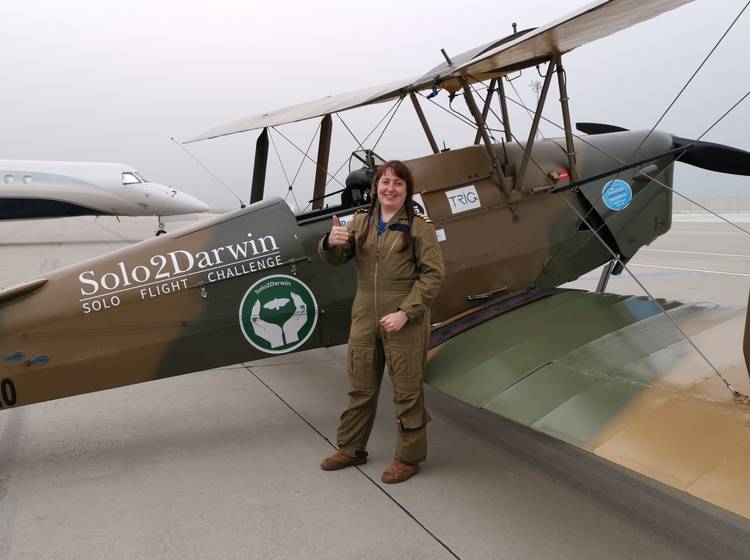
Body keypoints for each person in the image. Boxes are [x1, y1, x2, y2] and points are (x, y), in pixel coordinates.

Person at [318, 160, 445, 483]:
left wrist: (406, 312)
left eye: (397, 184)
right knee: (359, 387)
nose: (390, 189)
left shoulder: (420, 226)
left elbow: (433, 276)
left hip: (405, 319)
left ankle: (408, 457)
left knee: (406, 389)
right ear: (375, 188)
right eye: (385, 182)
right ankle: (351, 448)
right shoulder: (361, 222)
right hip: (364, 316)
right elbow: (339, 259)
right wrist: (330, 243)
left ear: (407, 190)